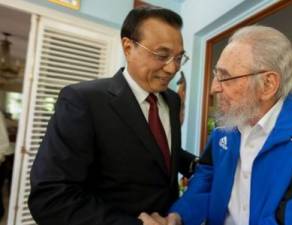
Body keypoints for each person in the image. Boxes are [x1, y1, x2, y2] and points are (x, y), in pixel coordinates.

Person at [163, 25, 292, 225]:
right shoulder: (226, 126)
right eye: (215, 74)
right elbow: (208, 176)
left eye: (225, 77)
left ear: (268, 84)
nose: (213, 88)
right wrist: (180, 215)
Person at [28, 6, 196, 225]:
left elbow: (158, 150)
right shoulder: (83, 101)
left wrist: (197, 164)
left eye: (179, 57)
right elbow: (50, 198)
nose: (172, 68)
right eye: (162, 55)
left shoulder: (172, 100)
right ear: (128, 47)